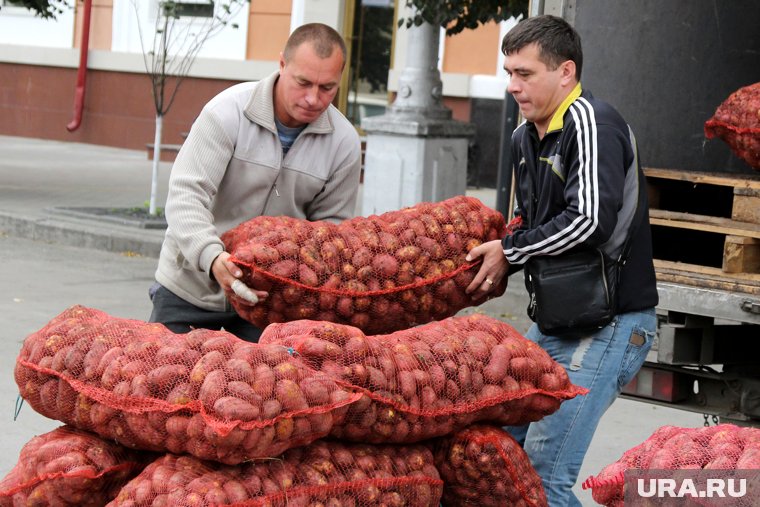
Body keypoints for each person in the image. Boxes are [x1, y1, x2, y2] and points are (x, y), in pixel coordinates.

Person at [465, 15, 659, 506]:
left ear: (566, 72)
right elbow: (526, 223)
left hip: (609, 321)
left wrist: (510, 253)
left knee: (544, 480)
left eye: (525, 74)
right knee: (499, 456)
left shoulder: (592, 124)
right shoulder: (523, 137)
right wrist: (500, 252)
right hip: (557, 319)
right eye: (509, 72)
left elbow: (589, 220)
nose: (512, 86)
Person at [149, 23, 362, 342]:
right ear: (281, 65)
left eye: (327, 88)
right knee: (162, 383)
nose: (312, 99)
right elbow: (186, 196)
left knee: (259, 391)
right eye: (303, 82)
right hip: (190, 286)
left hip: (271, 305)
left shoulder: (344, 142)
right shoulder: (227, 112)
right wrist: (211, 258)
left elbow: (331, 234)